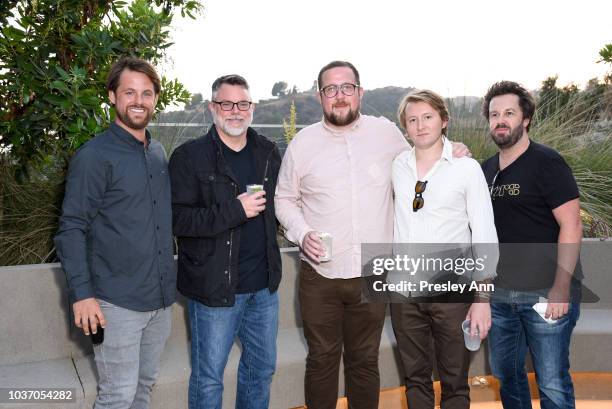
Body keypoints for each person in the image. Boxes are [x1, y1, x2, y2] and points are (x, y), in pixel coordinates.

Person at [274, 61, 469, 409]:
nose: (339, 96)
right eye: (330, 89)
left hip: (373, 272)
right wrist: (301, 233)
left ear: (359, 92)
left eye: (346, 87)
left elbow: (421, 155)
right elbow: (284, 199)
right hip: (321, 276)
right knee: (321, 360)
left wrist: (452, 149)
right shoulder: (302, 144)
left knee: (364, 362)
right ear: (320, 96)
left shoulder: (386, 134)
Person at [55, 57, 175, 409]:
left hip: (160, 302)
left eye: (147, 93)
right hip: (115, 303)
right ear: (112, 96)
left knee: (143, 388)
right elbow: (71, 228)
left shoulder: (157, 152)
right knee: (117, 396)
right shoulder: (93, 157)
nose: (139, 101)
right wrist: (83, 295)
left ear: (155, 99)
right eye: (129, 92)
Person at [169, 74, 282, 409]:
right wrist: (234, 210)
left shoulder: (267, 152)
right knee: (208, 379)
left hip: (263, 289)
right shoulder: (189, 157)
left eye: (242, 103)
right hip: (214, 291)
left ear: (252, 107)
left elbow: (287, 201)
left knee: (260, 370)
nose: (235, 111)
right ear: (212, 108)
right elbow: (177, 220)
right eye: (226, 103)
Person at [390, 89, 498, 409]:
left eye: (428, 117)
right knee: (415, 380)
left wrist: (482, 299)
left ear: (444, 120)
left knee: (454, 383)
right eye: (412, 120)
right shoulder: (398, 165)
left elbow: (484, 235)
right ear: (405, 128)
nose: (420, 125)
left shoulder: (467, 169)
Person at [481, 81, 583, 409]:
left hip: (545, 293)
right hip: (500, 296)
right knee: (507, 375)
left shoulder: (547, 163)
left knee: (551, 380)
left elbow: (572, 224)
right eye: (494, 114)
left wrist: (561, 288)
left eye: (509, 113)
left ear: (525, 119)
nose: (501, 119)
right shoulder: (484, 170)